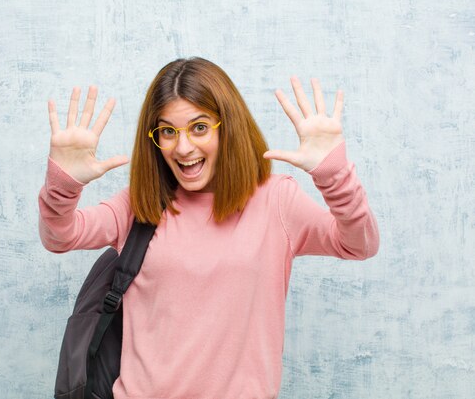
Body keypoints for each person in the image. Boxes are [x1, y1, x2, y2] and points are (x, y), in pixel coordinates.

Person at [38, 57, 379, 399]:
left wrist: (334, 176)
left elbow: (358, 243)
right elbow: (60, 236)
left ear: (227, 126)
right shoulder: (139, 204)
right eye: (168, 131)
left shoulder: (276, 200)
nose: (183, 147)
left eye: (199, 127)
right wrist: (64, 185)